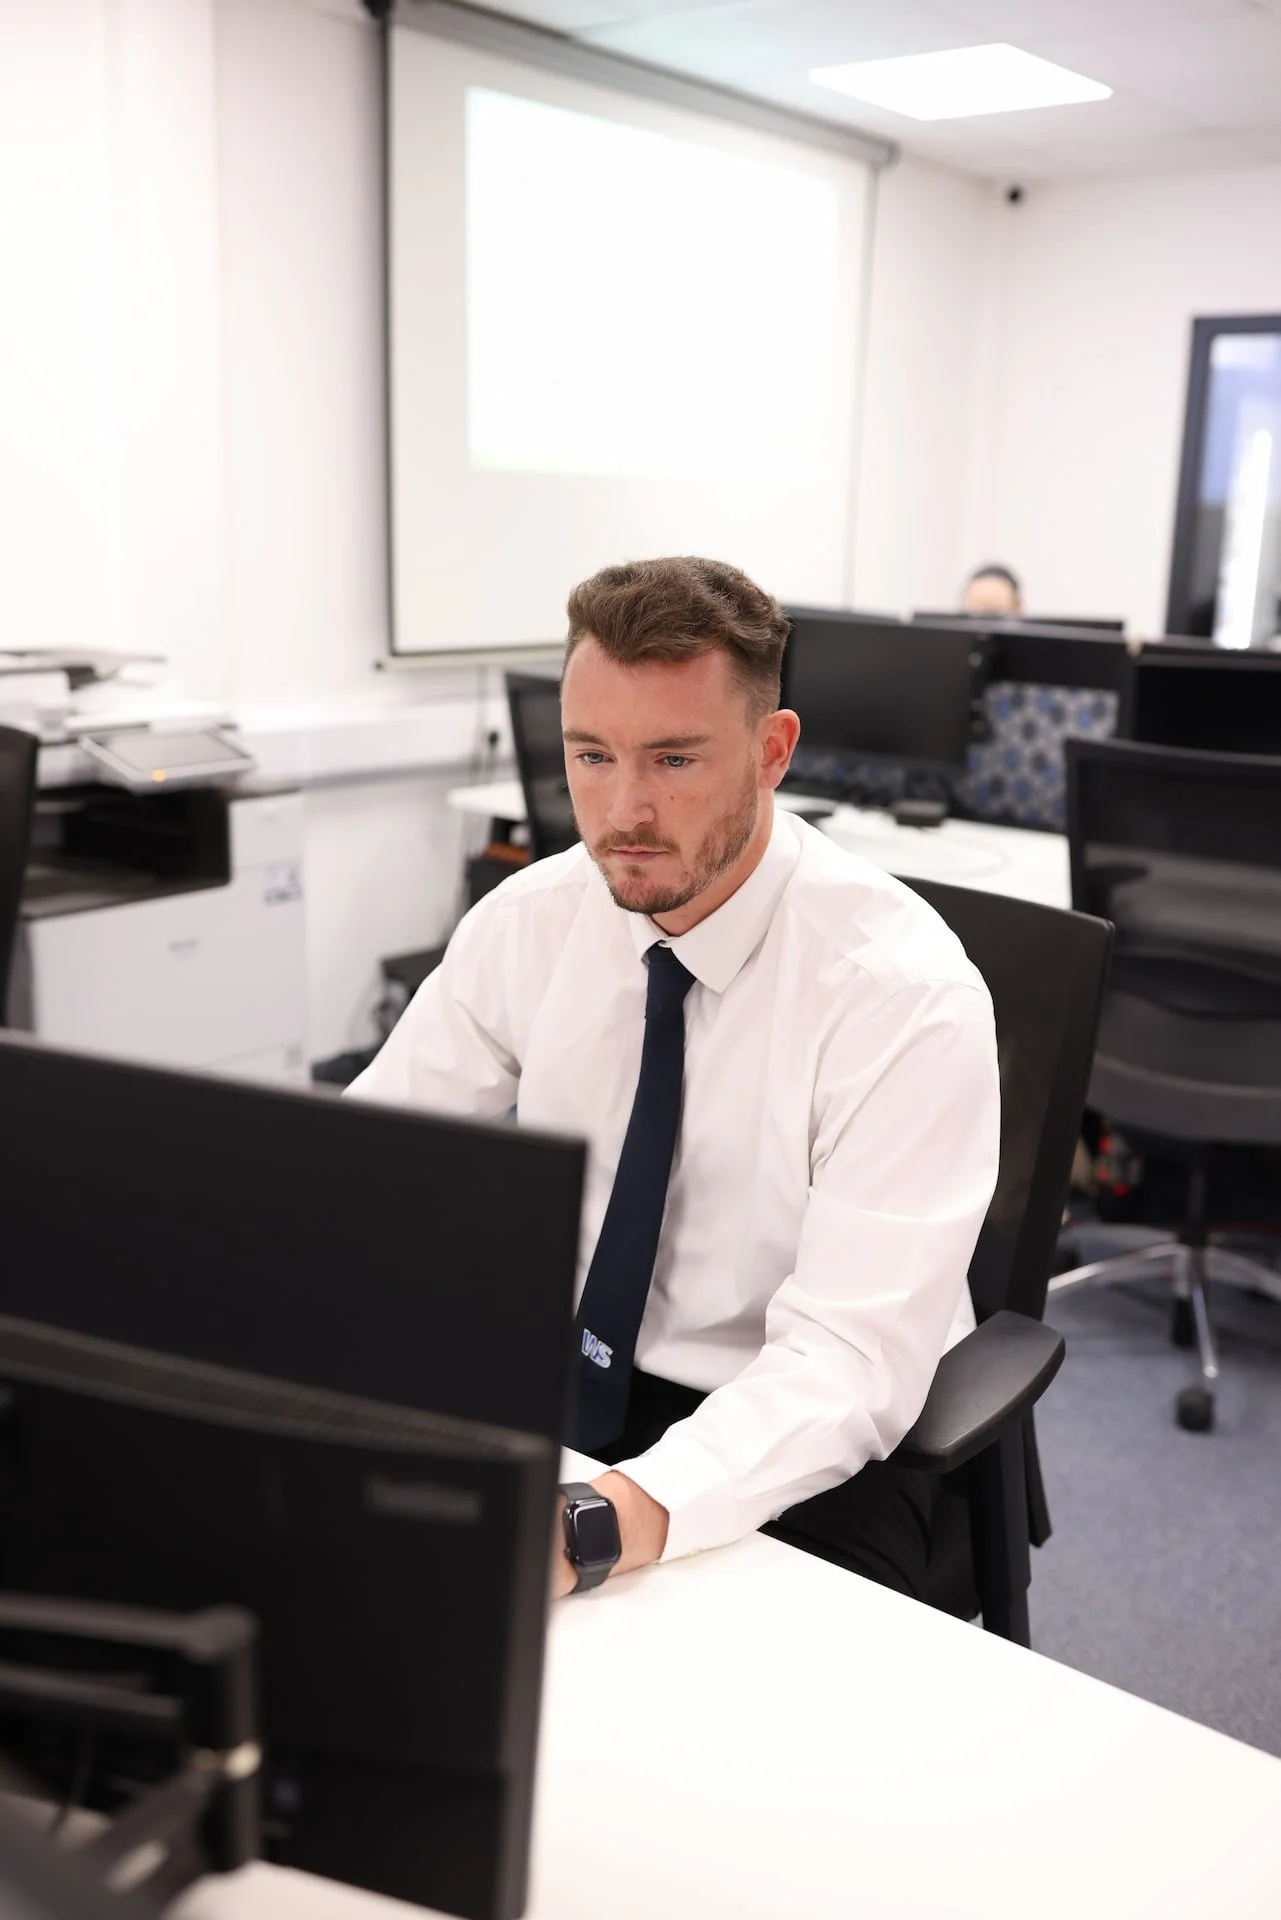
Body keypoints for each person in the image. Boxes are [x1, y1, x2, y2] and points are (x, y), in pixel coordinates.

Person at [350, 557, 1000, 1602]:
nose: (624, 811)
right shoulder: (536, 918)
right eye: (592, 756)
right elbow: (365, 1160)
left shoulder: (901, 993)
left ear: (771, 750)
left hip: (801, 1436)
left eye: (675, 760)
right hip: (567, 1368)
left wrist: (609, 1520)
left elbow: (845, 1365)